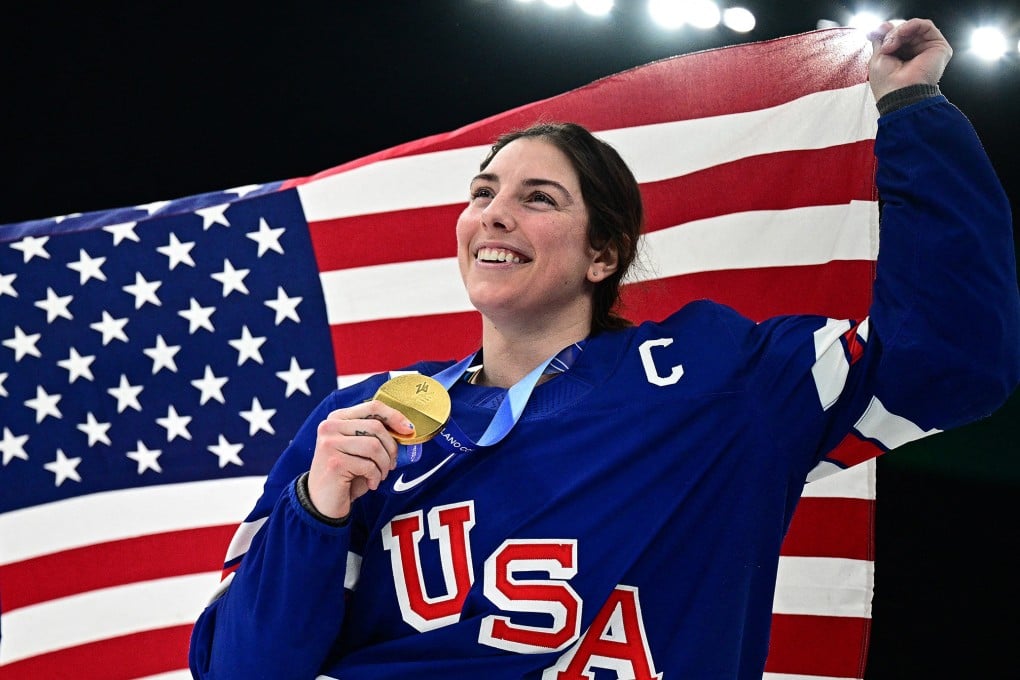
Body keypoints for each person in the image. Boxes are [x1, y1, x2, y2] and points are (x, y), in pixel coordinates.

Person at [189, 18, 1019, 679]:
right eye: (483, 194)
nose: (494, 215)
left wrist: (913, 114)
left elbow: (952, 361)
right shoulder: (358, 423)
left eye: (537, 197)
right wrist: (315, 505)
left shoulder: (721, 381)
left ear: (602, 255)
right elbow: (240, 670)